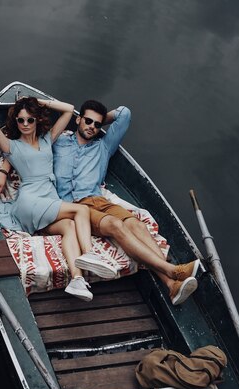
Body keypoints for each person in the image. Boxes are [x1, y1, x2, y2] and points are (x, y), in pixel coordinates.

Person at [0, 72, 115, 301]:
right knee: (81, 210)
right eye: (21, 120)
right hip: (30, 202)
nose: (26, 124)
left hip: (47, 202)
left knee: (69, 226)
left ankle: (77, 280)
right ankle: (90, 254)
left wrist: (36, 103)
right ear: (16, 123)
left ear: (37, 119)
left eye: (30, 119)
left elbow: (69, 109)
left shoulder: (47, 139)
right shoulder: (12, 146)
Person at [52, 100, 200, 305]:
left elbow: (124, 114)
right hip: (77, 208)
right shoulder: (59, 142)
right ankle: (172, 271)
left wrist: (103, 120)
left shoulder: (103, 147)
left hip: (99, 200)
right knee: (115, 225)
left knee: (136, 224)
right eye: (87, 121)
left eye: (97, 124)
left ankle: (171, 285)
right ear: (78, 119)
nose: (92, 127)